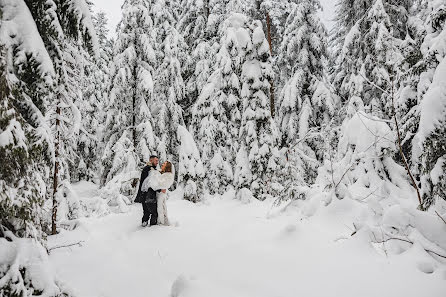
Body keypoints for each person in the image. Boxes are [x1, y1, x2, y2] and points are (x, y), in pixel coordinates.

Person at [141, 161, 174, 225]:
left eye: (164, 164)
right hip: (159, 193)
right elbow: (157, 174)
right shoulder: (163, 172)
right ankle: (163, 220)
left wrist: (161, 188)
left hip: (161, 194)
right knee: (161, 207)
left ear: (167, 166)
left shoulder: (168, 174)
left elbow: (162, 183)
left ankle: (161, 222)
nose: (162, 164)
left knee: (160, 207)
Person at [135, 155, 159, 227]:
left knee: (146, 212)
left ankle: (144, 226)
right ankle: (152, 229)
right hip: (148, 195)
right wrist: (160, 189)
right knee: (154, 213)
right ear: (151, 160)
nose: (157, 162)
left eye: (157, 161)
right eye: (156, 161)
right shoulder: (150, 170)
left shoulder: (148, 169)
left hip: (144, 195)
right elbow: (151, 183)